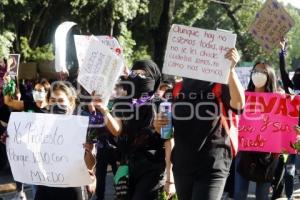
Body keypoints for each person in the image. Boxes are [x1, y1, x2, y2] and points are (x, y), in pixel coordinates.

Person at [154, 48, 245, 200]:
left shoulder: (220, 85)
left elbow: (239, 104)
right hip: (182, 165)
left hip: (213, 164)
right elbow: (167, 131)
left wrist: (231, 70)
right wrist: (158, 124)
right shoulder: (177, 89)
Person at [93, 60, 175, 200]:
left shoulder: (163, 105)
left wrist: (170, 178)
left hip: (153, 167)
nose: (139, 77)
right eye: (135, 74)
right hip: (128, 166)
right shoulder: (122, 103)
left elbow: (169, 142)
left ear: (155, 78)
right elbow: (117, 130)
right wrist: (103, 109)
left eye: (144, 74)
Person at [32, 82, 96, 200]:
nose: (56, 104)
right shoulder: (39, 124)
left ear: (71, 103)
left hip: (72, 188)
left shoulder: (82, 127)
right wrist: (11, 141)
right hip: (45, 187)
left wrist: (89, 152)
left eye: (61, 100)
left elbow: (90, 165)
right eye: (52, 100)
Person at [234, 61, 278, 200]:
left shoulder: (279, 100)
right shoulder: (242, 96)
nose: (257, 75)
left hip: (269, 155)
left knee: (262, 195)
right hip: (244, 152)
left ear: (269, 75)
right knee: (240, 193)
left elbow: (281, 126)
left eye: (262, 72)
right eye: (255, 71)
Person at [276, 38, 300, 200]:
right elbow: (284, 73)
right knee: (290, 170)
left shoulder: (292, 91)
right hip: (292, 136)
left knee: (293, 169)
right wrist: (282, 52)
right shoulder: (291, 92)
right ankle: (290, 196)